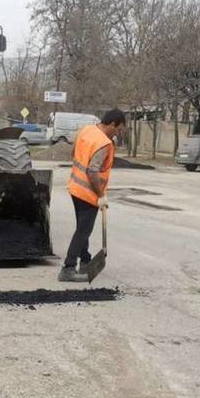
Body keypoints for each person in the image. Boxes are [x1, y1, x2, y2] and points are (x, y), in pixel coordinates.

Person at [58, 108, 126, 282]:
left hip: (75, 188)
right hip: (88, 193)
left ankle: (86, 261)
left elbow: (74, 153)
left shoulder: (87, 130)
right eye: (118, 129)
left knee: (83, 228)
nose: (117, 133)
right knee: (83, 230)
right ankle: (68, 268)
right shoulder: (104, 143)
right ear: (112, 124)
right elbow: (93, 171)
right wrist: (101, 195)